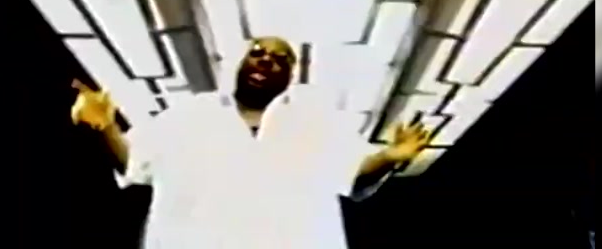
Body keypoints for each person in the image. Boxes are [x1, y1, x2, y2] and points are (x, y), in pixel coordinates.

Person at [71, 36, 432, 249]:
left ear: (291, 76)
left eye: (279, 59)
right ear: (242, 63)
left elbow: (356, 177)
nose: (266, 61)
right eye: (257, 53)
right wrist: (106, 127)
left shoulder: (316, 123)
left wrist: (389, 157)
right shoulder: (188, 115)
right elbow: (132, 162)